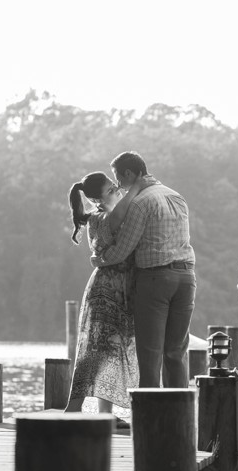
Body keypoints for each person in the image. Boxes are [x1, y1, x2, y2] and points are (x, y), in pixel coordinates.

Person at [90, 151, 196, 388]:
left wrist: (100, 259)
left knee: (150, 355)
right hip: (186, 278)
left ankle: (151, 419)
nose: (117, 184)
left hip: (156, 280)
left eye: (118, 177)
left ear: (129, 173)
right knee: (176, 352)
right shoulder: (176, 196)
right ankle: (178, 416)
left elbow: (123, 250)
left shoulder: (140, 203)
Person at [63, 171, 149, 420]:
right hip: (106, 289)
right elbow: (119, 215)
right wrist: (136, 188)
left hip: (121, 288)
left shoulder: (112, 214)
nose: (118, 190)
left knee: (110, 351)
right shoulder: (101, 217)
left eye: (115, 187)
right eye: (112, 190)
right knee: (95, 350)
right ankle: (74, 408)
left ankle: (104, 414)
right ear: (98, 200)